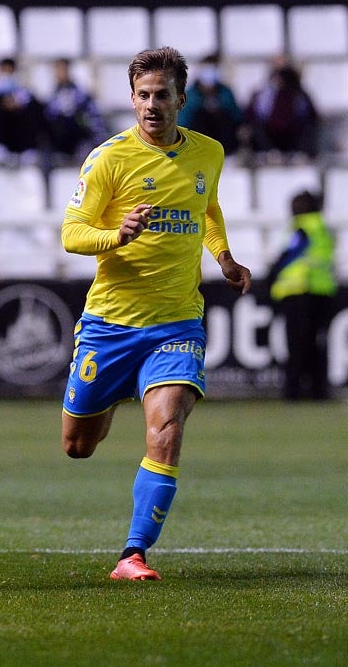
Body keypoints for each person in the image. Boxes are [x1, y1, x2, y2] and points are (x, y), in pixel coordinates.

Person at [60, 47, 252, 581]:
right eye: (142, 95)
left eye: (161, 95)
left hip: (176, 322)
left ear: (180, 100)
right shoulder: (107, 160)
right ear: (131, 99)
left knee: (166, 427)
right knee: (78, 446)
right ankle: (120, 392)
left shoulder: (208, 153)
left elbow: (206, 207)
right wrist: (114, 234)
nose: (151, 105)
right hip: (110, 324)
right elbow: (71, 233)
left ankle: (133, 554)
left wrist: (223, 256)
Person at [264, 190, 337, 400]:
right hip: (322, 291)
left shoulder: (302, 228)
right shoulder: (323, 228)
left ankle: (293, 391)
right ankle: (319, 391)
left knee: (296, 344)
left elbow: (289, 255)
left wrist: (271, 276)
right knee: (317, 344)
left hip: (299, 292)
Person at [244, 57, 321, 161]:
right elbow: (253, 113)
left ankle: (300, 154)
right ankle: (269, 153)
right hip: (270, 133)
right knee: (255, 126)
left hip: (292, 133)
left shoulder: (298, 94)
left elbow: (310, 114)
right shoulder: (263, 93)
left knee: (307, 126)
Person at [44, 57, 110, 167]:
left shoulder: (81, 94)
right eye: (57, 71)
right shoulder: (51, 96)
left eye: (62, 70)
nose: (60, 74)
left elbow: (93, 117)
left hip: (78, 136)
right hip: (59, 138)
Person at [178, 53, 243, 156]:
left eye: (213, 69)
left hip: (223, 143)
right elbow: (183, 121)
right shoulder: (190, 94)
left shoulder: (226, 92)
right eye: (207, 69)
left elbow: (236, 117)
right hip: (196, 144)